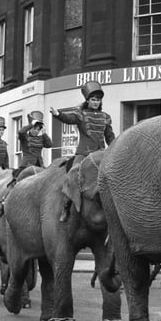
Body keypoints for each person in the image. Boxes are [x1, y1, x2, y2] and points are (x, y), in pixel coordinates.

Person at [50, 80, 115, 222]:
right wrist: (58, 114)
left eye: (98, 99)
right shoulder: (81, 114)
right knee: (72, 176)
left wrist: (115, 148)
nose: (96, 102)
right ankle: (66, 207)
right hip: (83, 153)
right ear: (87, 100)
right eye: (93, 99)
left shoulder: (105, 117)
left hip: (100, 153)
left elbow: (110, 136)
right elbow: (69, 118)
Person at [0, 111, 53, 219]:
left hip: (39, 165)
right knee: (14, 183)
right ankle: (3, 204)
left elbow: (49, 144)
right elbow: (21, 131)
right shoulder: (24, 137)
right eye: (35, 128)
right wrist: (31, 124)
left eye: (38, 129)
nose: (36, 130)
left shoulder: (41, 138)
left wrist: (44, 133)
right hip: (26, 165)